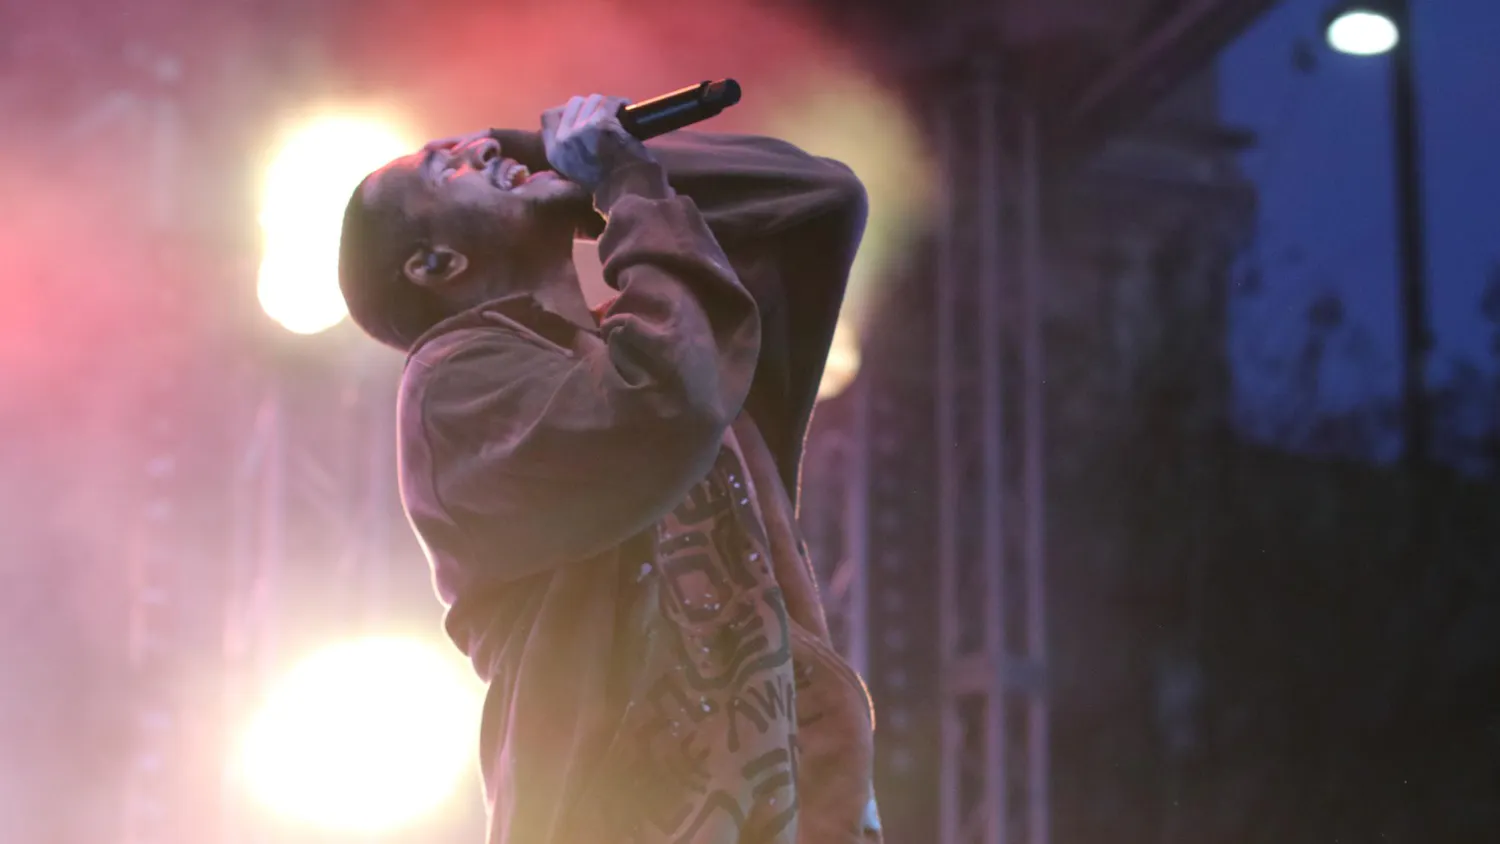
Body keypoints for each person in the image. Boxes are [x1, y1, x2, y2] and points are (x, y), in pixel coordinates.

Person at [338, 93, 882, 844]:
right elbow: (664, 398)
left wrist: (540, 151)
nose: (481, 152)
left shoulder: (682, 327)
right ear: (438, 264)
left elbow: (817, 199)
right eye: (450, 165)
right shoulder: (455, 385)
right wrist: (624, 181)